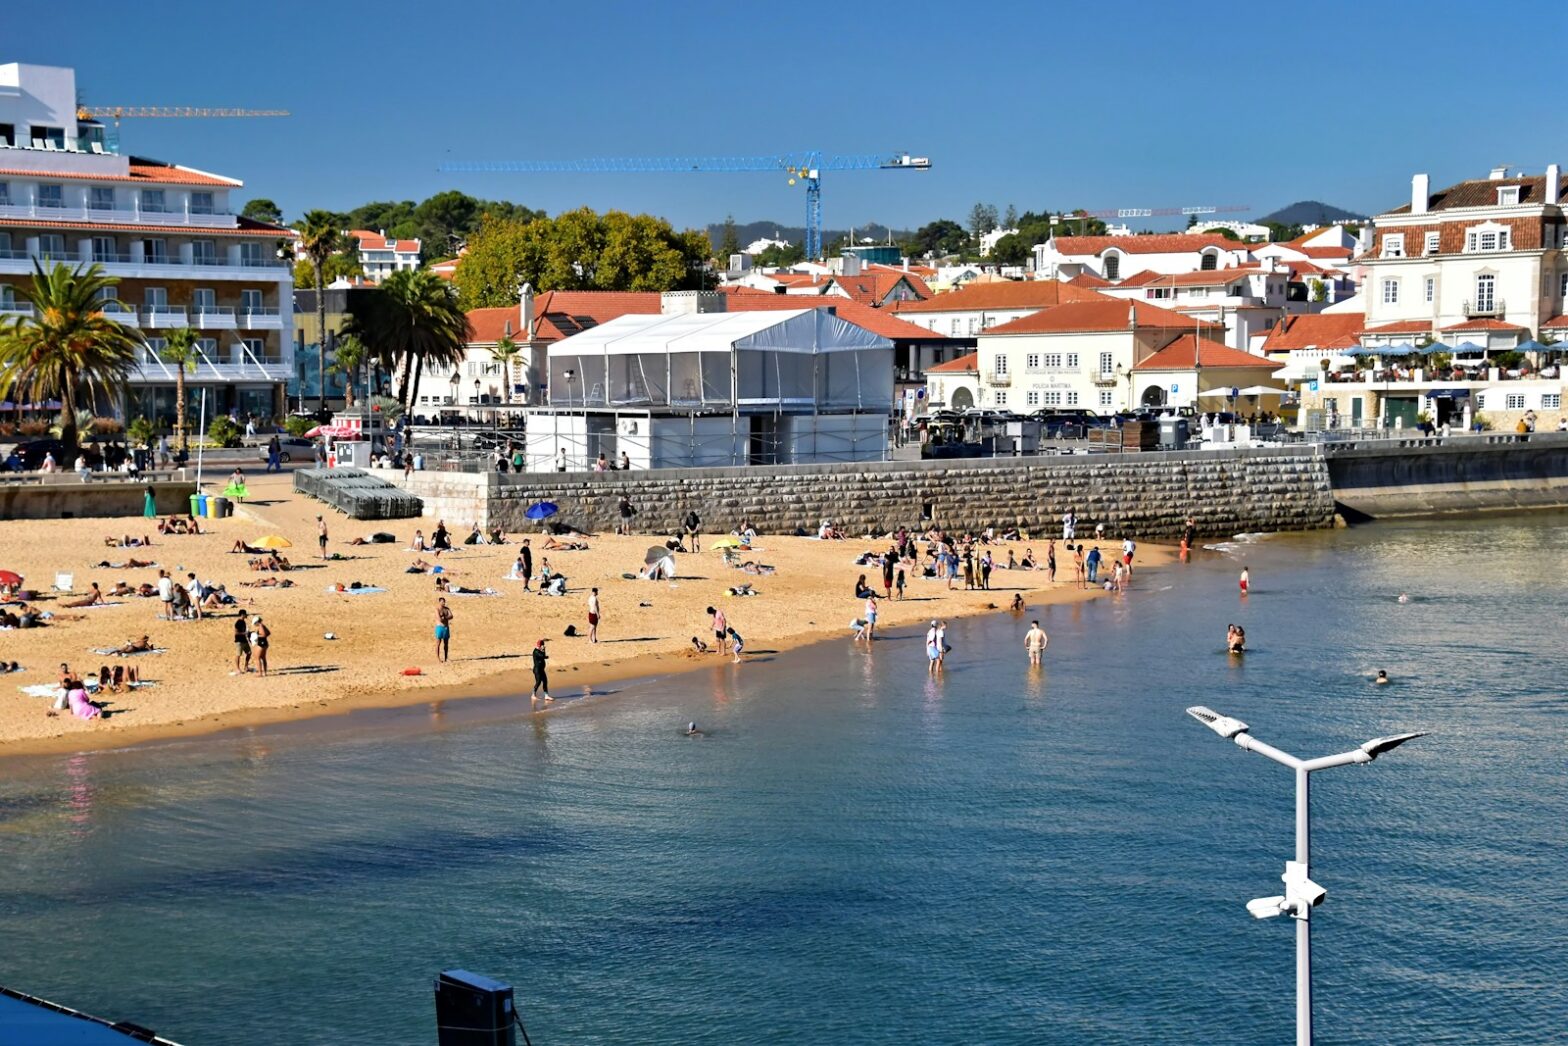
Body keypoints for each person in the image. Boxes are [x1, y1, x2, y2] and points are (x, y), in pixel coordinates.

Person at [531, 639, 552, 703]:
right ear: (540, 645)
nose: (542, 646)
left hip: (541, 669)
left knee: (545, 681)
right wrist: (543, 650)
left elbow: (542, 656)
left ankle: (546, 695)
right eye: (542, 645)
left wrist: (545, 656)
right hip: (537, 670)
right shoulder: (536, 651)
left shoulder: (539, 650)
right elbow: (542, 655)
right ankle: (533, 694)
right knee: (538, 682)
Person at [434, 597, 452, 662]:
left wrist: (445, 617)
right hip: (440, 627)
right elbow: (439, 619)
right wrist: (446, 617)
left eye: (444, 602)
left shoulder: (447, 609)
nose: (443, 603)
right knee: (438, 643)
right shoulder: (437, 609)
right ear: (439, 602)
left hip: (446, 627)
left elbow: (451, 616)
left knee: (446, 643)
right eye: (442, 602)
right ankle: (438, 658)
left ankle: (446, 657)